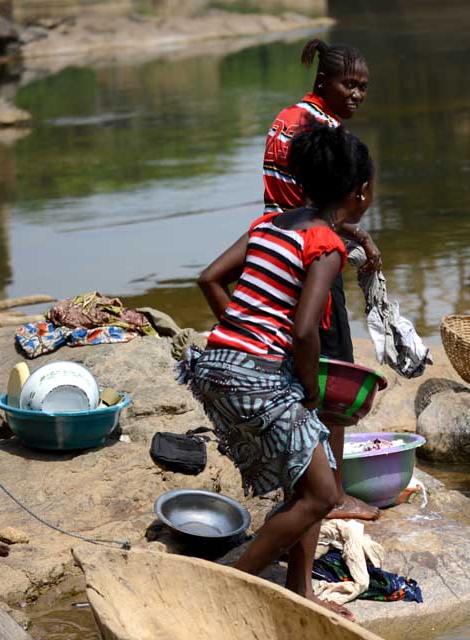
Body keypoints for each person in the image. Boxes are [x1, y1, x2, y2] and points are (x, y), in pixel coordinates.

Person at [183, 125, 374, 621]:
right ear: (361, 191)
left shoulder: (270, 223)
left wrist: (240, 330)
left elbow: (209, 279)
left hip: (214, 365)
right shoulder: (326, 243)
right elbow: (307, 330)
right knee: (326, 494)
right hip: (258, 376)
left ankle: (299, 588)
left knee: (310, 479)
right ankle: (233, 586)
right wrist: (308, 388)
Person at [263, 37, 381, 521]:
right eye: (348, 84)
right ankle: (330, 495)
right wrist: (348, 236)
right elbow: (320, 210)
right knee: (333, 379)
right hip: (310, 258)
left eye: (362, 87)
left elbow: (299, 203)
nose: (356, 95)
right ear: (322, 82)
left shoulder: (286, 119)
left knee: (302, 376)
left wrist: (355, 234)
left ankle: (308, 484)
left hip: (277, 249)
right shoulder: (323, 133)